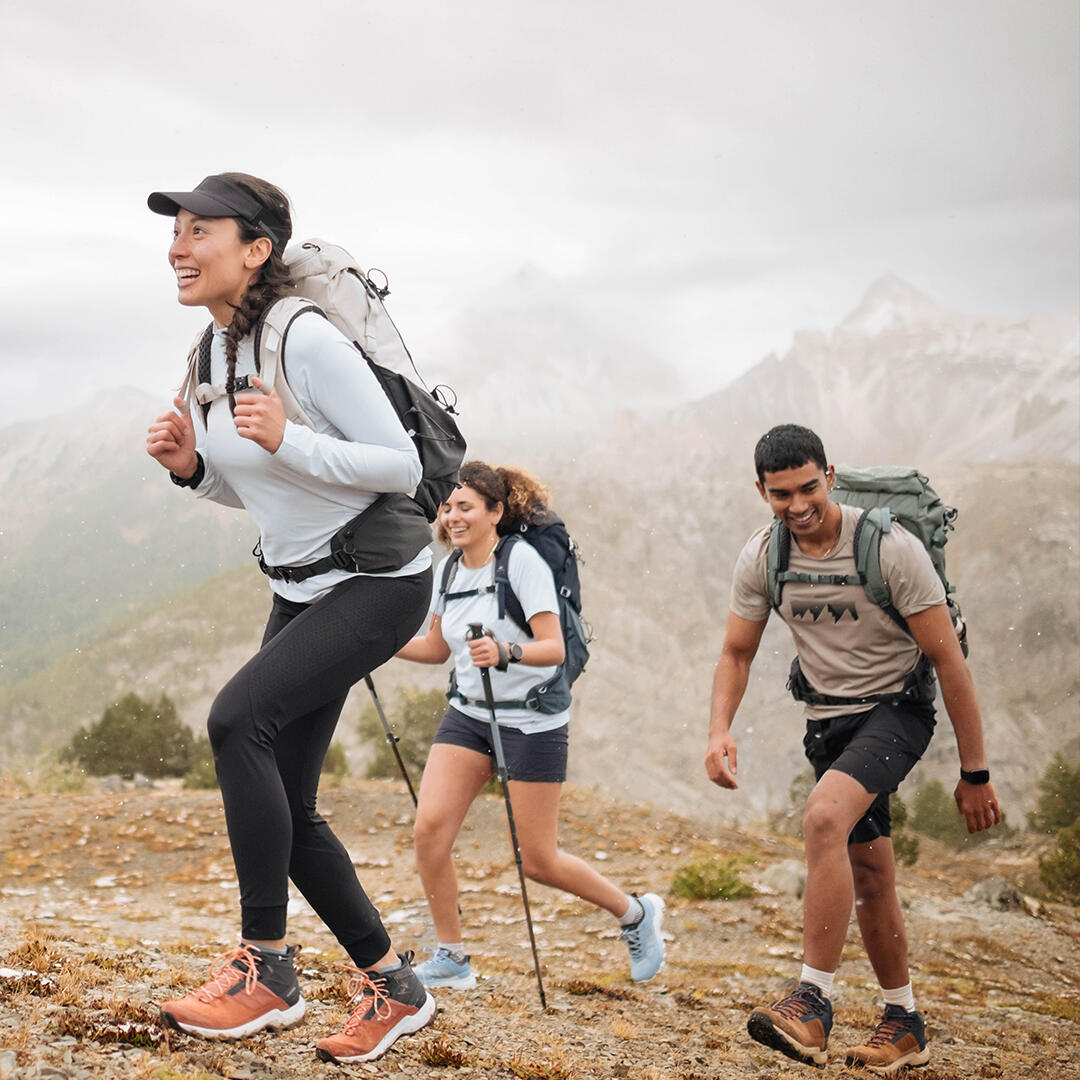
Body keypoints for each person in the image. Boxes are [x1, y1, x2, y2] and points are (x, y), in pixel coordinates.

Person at [144, 173, 436, 1065]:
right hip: (304, 583)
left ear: (257, 249)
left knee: (237, 722)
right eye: (176, 232)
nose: (179, 249)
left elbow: (395, 466)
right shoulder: (214, 353)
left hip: (380, 579)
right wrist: (199, 470)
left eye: (201, 231)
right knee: (291, 805)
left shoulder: (303, 340)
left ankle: (267, 968)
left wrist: (289, 439)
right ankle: (395, 986)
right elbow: (264, 488)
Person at [705, 424, 1001, 1075]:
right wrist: (719, 728)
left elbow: (949, 662)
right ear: (762, 491)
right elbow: (736, 651)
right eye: (781, 494)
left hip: (898, 711)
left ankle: (812, 1003)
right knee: (869, 873)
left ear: (829, 477)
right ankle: (905, 1021)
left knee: (822, 819)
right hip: (828, 724)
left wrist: (974, 771)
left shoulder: (890, 549)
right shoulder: (763, 555)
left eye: (809, 487)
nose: (798, 504)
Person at [397, 461, 666, 989]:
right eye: (448, 507)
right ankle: (451, 958)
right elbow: (436, 648)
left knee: (539, 861)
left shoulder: (519, 562)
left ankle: (635, 914)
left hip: (533, 721)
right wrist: (372, 645)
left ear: (496, 512)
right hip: (470, 716)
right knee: (430, 833)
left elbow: (553, 648)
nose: (452, 517)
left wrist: (505, 651)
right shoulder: (448, 570)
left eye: (465, 507)